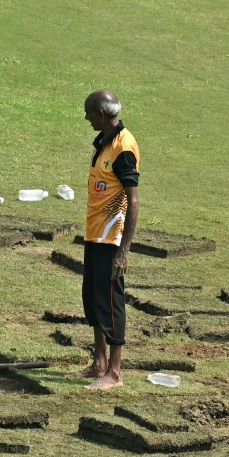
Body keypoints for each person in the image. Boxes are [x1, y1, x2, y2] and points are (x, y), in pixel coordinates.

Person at [69, 90, 140, 390]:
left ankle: (114, 372)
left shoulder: (124, 147)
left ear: (101, 114)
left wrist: (124, 249)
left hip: (112, 237)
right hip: (94, 232)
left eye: (88, 113)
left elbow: (133, 200)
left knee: (112, 302)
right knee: (93, 298)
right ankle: (98, 362)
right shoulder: (104, 142)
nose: (85, 117)